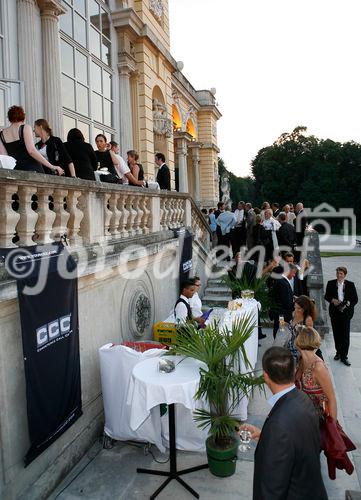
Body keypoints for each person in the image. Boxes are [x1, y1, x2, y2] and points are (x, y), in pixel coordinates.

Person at [240, 347, 327, 500]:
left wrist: (272, 436)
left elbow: (271, 490)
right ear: (294, 371)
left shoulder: (278, 426)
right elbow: (297, 441)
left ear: (266, 377)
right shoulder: (304, 399)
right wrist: (264, 435)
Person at [0, 105, 63, 174]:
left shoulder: (1, 134)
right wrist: (52, 166)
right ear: (22, 116)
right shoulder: (25, 127)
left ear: (9, 117)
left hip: (16, 171)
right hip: (32, 168)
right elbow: (31, 151)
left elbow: (4, 156)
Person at [295, 327, 337, 420]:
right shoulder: (301, 360)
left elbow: (331, 398)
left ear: (298, 342)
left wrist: (333, 429)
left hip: (318, 418)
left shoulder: (318, 368)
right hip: (303, 412)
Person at [325, 266, 358, 366]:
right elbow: (326, 296)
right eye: (338, 273)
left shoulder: (351, 285)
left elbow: (355, 299)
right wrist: (332, 300)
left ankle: (344, 356)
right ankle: (338, 352)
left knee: (345, 335)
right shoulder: (330, 283)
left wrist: (347, 304)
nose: (339, 275)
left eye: (341, 274)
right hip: (335, 312)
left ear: (345, 275)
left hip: (346, 313)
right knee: (336, 333)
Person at [270, 263, 298, 338]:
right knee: (281, 332)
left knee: (280, 331)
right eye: (293, 273)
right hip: (282, 316)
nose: (294, 275)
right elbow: (287, 303)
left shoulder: (281, 281)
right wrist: (297, 303)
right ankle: (278, 348)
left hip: (281, 314)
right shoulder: (283, 283)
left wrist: (292, 297)